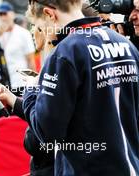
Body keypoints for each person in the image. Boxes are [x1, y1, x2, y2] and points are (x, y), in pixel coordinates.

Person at [22, 0, 139, 175]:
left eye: (40, 26)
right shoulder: (125, 44)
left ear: (49, 14)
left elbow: (47, 132)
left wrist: (31, 91)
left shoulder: (64, 53)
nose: (44, 34)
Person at [0, 2, 35, 93]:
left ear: (12, 14)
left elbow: (31, 60)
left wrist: (33, 84)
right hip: (6, 82)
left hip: (21, 82)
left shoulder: (23, 33)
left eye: (5, 13)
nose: (3, 17)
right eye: (0, 14)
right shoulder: (0, 35)